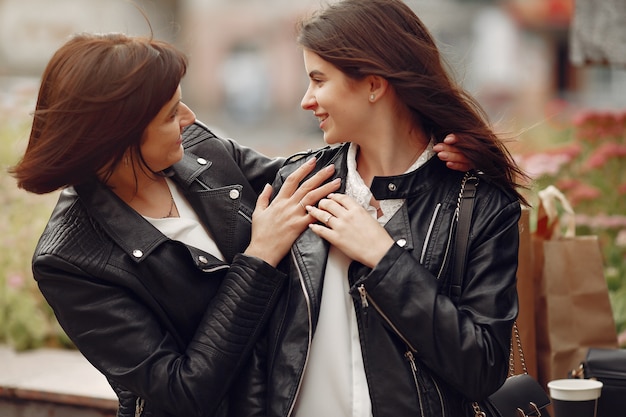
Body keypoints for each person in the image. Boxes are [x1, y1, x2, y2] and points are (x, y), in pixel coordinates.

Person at [8, 29, 470, 417]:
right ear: (120, 133)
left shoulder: (202, 154)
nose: (189, 120)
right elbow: (183, 392)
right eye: (171, 114)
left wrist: (434, 154)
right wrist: (259, 256)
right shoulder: (71, 259)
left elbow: (314, 177)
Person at [234, 1, 530, 416]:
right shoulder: (299, 185)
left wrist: (385, 259)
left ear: (374, 85)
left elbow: (482, 367)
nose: (306, 100)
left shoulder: (479, 204)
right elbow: (259, 351)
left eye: (319, 81)